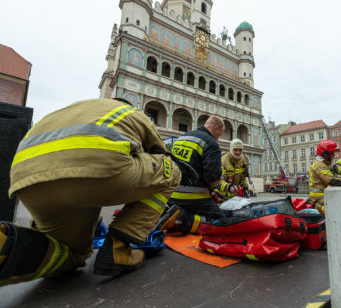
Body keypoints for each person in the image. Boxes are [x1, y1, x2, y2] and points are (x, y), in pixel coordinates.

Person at [0, 98, 199, 286]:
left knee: (69, 252)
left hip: (26, 181)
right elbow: (159, 152)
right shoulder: (131, 112)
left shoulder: (72, 110)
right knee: (171, 170)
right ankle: (119, 248)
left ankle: (5, 246)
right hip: (93, 170)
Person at [156, 116, 234, 235]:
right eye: (220, 134)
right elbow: (212, 178)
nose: (219, 138)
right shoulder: (211, 143)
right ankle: (183, 219)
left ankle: (176, 218)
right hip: (193, 197)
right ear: (216, 128)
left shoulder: (182, 138)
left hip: (171, 194)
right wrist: (220, 188)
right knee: (222, 222)